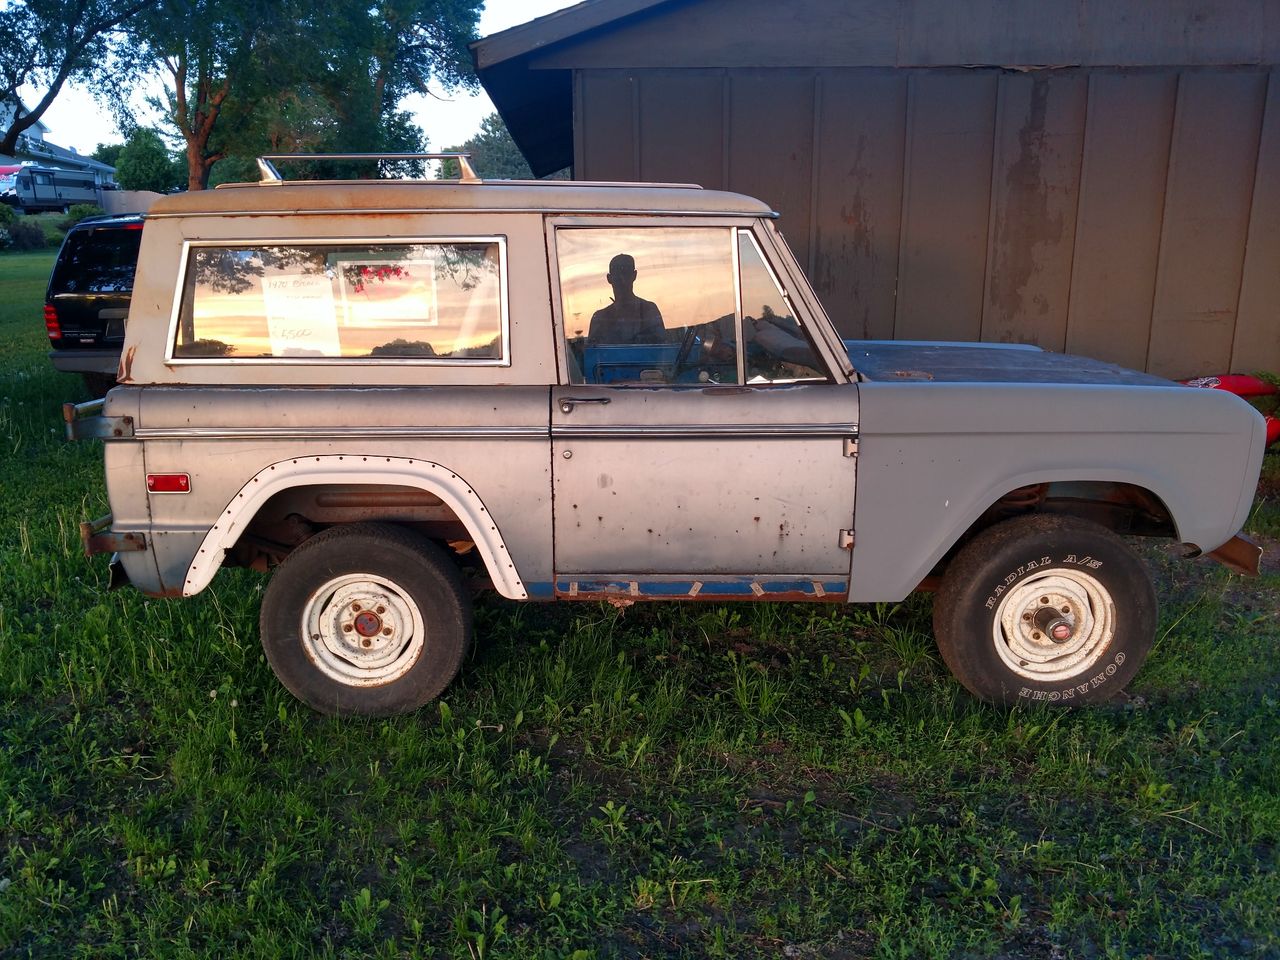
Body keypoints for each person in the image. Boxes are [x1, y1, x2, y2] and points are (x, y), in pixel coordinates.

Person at [585, 253, 667, 344]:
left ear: (634, 275)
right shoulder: (599, 319)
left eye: (625, 273)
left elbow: (661, 351)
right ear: (609, 278)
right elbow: (592, 355)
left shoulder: (649, 311)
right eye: (617, 274)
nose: (622, 279)